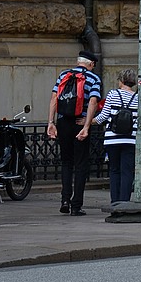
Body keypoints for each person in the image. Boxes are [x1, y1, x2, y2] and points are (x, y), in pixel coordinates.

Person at [47, 50, 102, 216]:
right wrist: (86, 125)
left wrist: (51, 122)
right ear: (91, 64)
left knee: (66, 162)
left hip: (63, 122)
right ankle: (76, 205)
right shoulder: (93, 78)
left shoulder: (64, 75)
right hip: (79, 124)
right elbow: (93, 101)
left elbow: (54, 99)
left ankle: (65, 200)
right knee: (81, 164)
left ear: (78, 62)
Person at [93, 69, 141, 204]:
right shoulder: (139, 98)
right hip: (130, 140)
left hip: (112, 140)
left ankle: (115, 202)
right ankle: (124, 203)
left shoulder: (113, 94)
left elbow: (103, 117)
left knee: (114, 171)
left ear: (121, 81)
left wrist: (88, 122)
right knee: (127, 172)